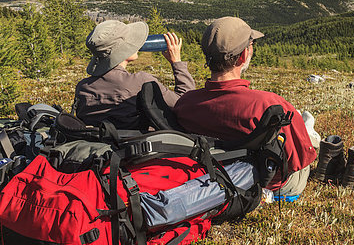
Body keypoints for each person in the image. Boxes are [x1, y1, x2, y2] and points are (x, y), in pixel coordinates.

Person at [173, 17, 318, 197]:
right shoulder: (269, 105)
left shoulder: (185, 103)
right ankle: (311, 135)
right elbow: (300, 160)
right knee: (306, 141)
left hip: (205, 179)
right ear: (243, 55)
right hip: (266, 185)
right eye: (250, 45)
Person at [73, 20, 195, 129]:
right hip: (138, 149)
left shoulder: (82, 88)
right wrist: (176, 62)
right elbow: (186, 105)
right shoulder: (141, 81)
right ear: (122, 51)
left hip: (101, 150)